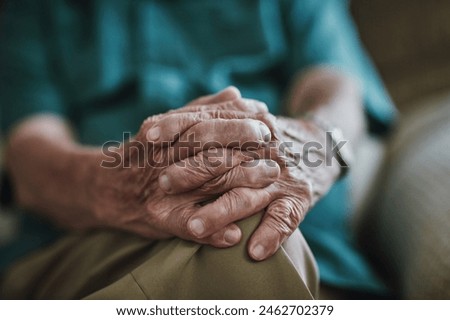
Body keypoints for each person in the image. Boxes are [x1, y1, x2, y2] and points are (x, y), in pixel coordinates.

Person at [0, 0, 396, 299]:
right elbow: (31, 160)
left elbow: (337, 88)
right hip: (93, 254)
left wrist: (310, 145)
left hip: (320, 260)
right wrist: (127, 185)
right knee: (234, 231)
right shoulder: (33, 10)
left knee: (240, 220)